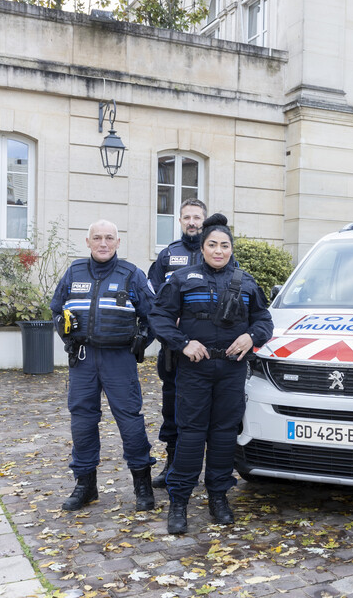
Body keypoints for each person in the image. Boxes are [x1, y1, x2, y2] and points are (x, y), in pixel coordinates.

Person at [148, 213, 273, 533]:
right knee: (190, 436)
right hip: (194, 371)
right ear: (202, 248)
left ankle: (218, 497)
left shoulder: (245, 282)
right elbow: (159, 317)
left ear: (232, 249)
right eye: (212, 245)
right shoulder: (182, 279)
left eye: (225, 245)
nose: (219, 250)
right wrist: (182, 343)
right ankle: (179, 502)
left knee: (223, 436)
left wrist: (252, 337)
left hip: (231, 371)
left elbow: (264, 321)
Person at [50, 220, 157, 512]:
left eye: (109, 238)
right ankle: (85, 485)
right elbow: (56, 309)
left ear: (118, 243)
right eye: (97, 237)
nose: (103, 243)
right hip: (83, 358)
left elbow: (154, 315)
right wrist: (64, 330)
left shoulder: (132, 274)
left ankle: (142, 485)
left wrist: (141, 343)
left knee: (130, 421)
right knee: (82, 421)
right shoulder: (74, 271)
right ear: (87, 242)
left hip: (118, 359)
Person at [147, 198, 207, 488]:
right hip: (173, 349)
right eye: (187, 217)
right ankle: (172, 466)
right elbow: (154, 300)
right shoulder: (167, 255)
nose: (192, 222)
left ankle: (196, 468)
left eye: (197, 217)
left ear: (204, 222)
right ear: (180, 221)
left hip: (208, 350)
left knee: (203, 412)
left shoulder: (217, 252)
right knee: (171, 409)